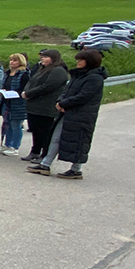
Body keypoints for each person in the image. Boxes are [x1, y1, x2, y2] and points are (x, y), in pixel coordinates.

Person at [27, 49, 105, 179]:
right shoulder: (78, 75)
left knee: (79, 141)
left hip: (82, 115)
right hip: (67, 112)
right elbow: (66, 90)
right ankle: (45, 164)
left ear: (89, 61)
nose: (78, 62)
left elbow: (84, 96)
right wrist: (60, 101)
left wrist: (65, 103)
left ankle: (76, 169)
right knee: (56, 137)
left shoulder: (95, 78)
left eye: (81, 60)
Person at [21, 49, 70, 163]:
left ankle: (45, 154)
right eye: (42, 57)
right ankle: (35, 151)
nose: (42, 59)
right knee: (36, 130)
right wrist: (26, 92)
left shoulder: (58, 71)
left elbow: (48, 86)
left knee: (45, 132)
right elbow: (31, 82)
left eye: (46, 57)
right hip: (34, 105)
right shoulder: (42, 69)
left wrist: (29, 93)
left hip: (46, 106)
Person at [0, 53, 30, 156]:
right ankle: (7, 144)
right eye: (11, 60)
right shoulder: (7, 73)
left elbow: (25, 89)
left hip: (18, 103)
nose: (12, 62)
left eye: (15, 60)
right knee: (7, 124)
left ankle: (15, 146)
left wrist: (14, 93)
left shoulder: (24, 74)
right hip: (7, 101)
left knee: (16, 125)